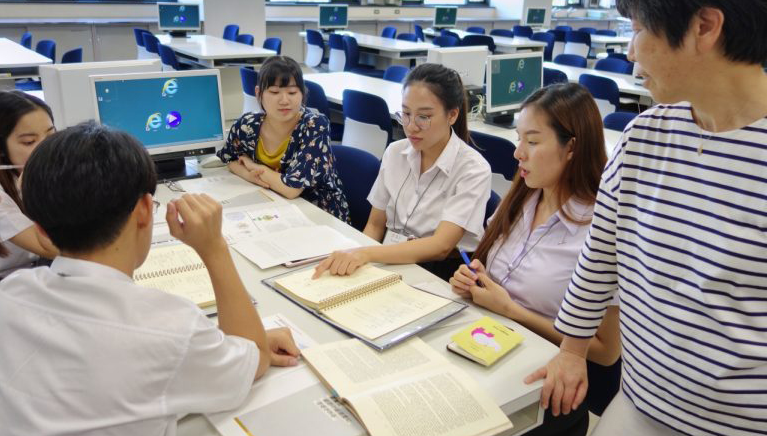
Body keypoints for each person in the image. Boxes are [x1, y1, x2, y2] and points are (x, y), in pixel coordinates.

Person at [526, 0, 767, 435]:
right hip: (638, 406)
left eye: (637, 28)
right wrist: (571, 350)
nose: (630, 48)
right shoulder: (646, 134)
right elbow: (601, 254)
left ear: (704, 26)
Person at [0, 122, 299, 435]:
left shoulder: (11, 293)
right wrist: (214, 249)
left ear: (42, 230)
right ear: (144, 209)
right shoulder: (170, 328)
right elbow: (255, 357)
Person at [450, 83, 621, 436]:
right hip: (483, 343)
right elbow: (485, 268)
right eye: (518, 139)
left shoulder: (601, 228)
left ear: (571, 146)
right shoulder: (524, 198)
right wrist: (473, 281)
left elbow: (606, 352)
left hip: (542, 379)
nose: (517, 154)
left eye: (532, 141)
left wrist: (510, 309)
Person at [314, 63, 492, 281]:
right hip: (387, 257)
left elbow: (441, 246)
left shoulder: (472, 169)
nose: (410, 126)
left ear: (452, 115)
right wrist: (358, 262)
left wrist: (366, 254)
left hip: (439, 273)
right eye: (405, 113)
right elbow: (375, 225)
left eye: (423, 117)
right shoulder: (395, 152)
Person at [217, 56, 350, 222]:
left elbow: (290, 190)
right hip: (274, 206)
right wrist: (249, 175)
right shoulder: (247, 125)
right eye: (274, 92)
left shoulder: (314, 125)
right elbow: (230, 159)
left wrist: (254, 167)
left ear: (302, 93)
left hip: (319, 215)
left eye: (292, 92)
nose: (284, 100)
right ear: (259, 93)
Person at [0, 91, 58, 280]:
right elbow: (49, 248)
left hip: (38, 270)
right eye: (29, 142)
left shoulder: (50, 169)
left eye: (51, 136)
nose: (45, 148)